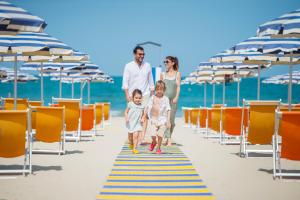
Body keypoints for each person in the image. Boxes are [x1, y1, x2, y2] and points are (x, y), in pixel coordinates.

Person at [122, 46, 155, 145]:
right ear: (135, 54)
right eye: (140, 54)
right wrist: (127, 95)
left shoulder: (147, 65)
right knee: (132, 117)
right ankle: (131, 136)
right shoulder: (128, 66)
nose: (142, 56)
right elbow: (125, 82)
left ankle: (141, 138)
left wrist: (152, 97)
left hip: (145, 94)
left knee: (144, 116)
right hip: (133, 96)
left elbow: (151, 82)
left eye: (143, 54)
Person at [146, 80, 171, 154]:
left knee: (160, 135)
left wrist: (168, 121)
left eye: (161, 89)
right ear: (155, 89)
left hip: (162, 120)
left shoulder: (166, 99)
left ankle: (158, 148)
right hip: (153, 119)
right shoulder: (152, 98)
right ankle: (153, 142)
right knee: (153, 135)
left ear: (164, 90)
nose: (159, 91)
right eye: (158, 89)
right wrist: (145, 115)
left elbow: (168, 109)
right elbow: (148, 106)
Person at [161, 56, 181, 146]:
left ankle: (167, 136)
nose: (165, 63)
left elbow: (178, 87)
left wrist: (176, 97)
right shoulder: (163, 74)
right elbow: (160, 87)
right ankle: (169, 140)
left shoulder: (177, 74)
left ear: (173, 63)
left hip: (173, 100)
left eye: (167, 62)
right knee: (166, 120)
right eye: (164, 62)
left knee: (171, 121)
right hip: (164, 101)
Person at [124, 89, 145, 154]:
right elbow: (125, 112)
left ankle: (135, 148)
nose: (138, 99)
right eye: (136, 98)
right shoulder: (130, 104)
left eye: (139, 98)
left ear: (141, 98)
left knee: (136, 136)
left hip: (138, 124)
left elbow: (144, 114)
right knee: (130, 137)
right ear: (133, 97)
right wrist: (126, 117)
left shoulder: (142, 106)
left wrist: (143, 118)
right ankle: (131, 143)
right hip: (130, 123)